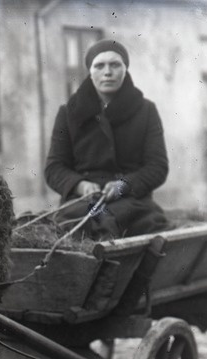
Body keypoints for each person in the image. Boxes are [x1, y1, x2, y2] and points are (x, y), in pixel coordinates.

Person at [45, 39, 170, 239]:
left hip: (132, 201)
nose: (107, 72)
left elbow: (157, 166)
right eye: (99, 65)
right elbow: (54, 168)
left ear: (125, 69)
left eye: (115, 65)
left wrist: (124, 185)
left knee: (146, 230)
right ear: (90, 71)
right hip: (82, 201)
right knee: (75, 228)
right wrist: (81, 185)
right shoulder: (68, 113)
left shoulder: (145, 110)